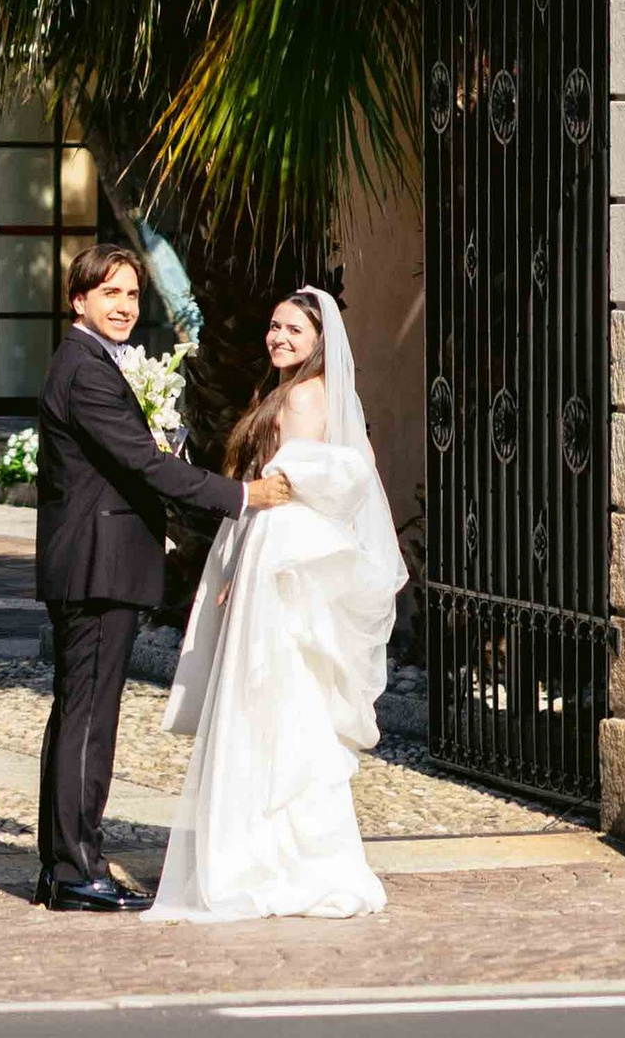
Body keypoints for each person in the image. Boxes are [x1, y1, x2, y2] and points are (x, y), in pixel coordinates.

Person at [32, 239, 293, 913]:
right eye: (110, 292)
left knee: (76, 716)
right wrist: (242, 497)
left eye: (131, 293)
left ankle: (64, 862)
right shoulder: (86, 369)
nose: (124, 305)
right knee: (88, 720)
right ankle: (75, 866)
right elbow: (144, 466)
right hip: (97, 566)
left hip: (92, 562)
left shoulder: (86, 361)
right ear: (79, 299)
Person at [149, 284, 406, 922]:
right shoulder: (298, 395)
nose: (279, 338)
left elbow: (320, 477)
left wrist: (256, 546)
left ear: (321, 342)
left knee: (267, 691)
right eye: (274, 327)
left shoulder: (307, 396)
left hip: (279, 549)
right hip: (272, 545)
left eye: (294, 330)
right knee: (280, 694)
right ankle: (283, 851)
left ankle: (263, 855)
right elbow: (348, 466)